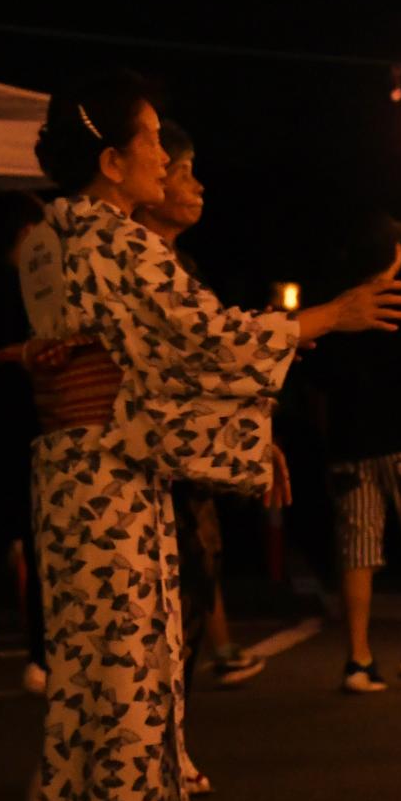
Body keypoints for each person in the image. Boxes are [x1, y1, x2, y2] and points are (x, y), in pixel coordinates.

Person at [0, 71, 401, 801]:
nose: (164, 154)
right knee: (125, 653)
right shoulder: (116, 240)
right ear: (111, 162)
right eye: (152, 139)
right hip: (109, 469)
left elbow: (146, 355)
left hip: (75, 465)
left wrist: (247, 424)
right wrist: (328, 316)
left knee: (86, 658)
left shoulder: (59, 235)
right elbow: (205, 340)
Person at [302, 213, 401, 694]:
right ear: (393, 255)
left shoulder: (333, 307)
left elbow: (315, 387)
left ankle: (358, 660)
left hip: (349, 447)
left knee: (357, 551)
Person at [132, 118, 269, 689]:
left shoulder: (180, 267)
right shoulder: (141, 265)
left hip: (186, 468)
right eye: (182, 172)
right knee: (159, 619)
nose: (197, 186)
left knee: (190, 592)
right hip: (152, 469)